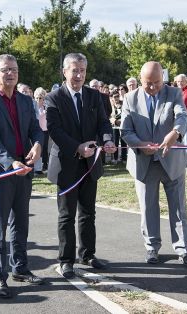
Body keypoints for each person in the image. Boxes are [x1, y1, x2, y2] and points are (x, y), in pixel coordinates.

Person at [0, 54, 44, 298]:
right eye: (5, 70)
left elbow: (35, 129)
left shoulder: (25, 100)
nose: (10, 74)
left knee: (20, 223)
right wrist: (10, 161)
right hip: (0, 173)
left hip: (23, 170)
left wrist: (37, 145)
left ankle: (20, 268)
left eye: (14, 69)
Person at [120, 61, 187, 267]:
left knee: (179, 208)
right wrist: (140, 144)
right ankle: (152, 248)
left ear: (163, 78)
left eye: (157, 82)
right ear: (140, 79)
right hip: (144, 161)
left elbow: (183, 115)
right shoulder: (129, 98)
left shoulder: (174, 93)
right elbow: (126, 131)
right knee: (148, 207)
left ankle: (183, 249)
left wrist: (176, 132)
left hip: (171, 161)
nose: (153, 87)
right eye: (148, 83)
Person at [46, 52, 116, 279]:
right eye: (74, 70)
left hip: (90, 163)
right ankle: (66, 260)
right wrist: (77, 147)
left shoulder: (95, 96)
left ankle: (87, 254)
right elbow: (55, 130)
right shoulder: (54, 98)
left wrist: (106, 140)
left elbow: (104, 122)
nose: (78, 75)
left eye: (82, 71)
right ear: (64, 72)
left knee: (88, 212)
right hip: (67, 164)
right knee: (66, 214)